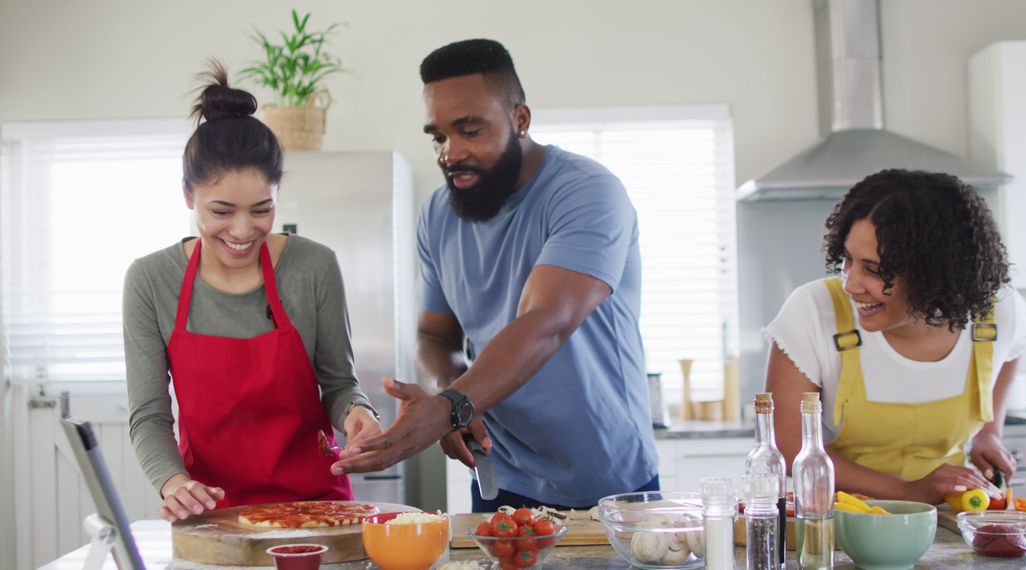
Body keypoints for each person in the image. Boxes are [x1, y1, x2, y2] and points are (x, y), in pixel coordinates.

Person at [331, 39, 659, 511]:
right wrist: (453, 392)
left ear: (520, 120)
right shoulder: (437, 215)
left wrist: (448, 408)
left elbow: (546, 323)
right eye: (438, 137)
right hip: (498, 475)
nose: (450, 152)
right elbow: (433, 335)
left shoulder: (588, 193)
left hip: (609, 479)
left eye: (470, 131)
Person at [123, 62, 381, 522]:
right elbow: (149, 414)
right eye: (221, 211)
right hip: (213, 515)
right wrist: (174, 482)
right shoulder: (149, 280)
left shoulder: (313, 266)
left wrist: (357, 412)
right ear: (188, 195)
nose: (243, 231)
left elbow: (339, 384)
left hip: (315, 510)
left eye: (262, 209)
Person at [765, 168, 1026, 505]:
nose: (850, 284)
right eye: (848, 260)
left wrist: (989, 434)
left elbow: (1012, 351)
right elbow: (789, 446)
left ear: (933, 274)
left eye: (874, 270)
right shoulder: (814, 311)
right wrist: (907, 490)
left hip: (952, 516)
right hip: (840, 518)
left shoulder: (997, 313)